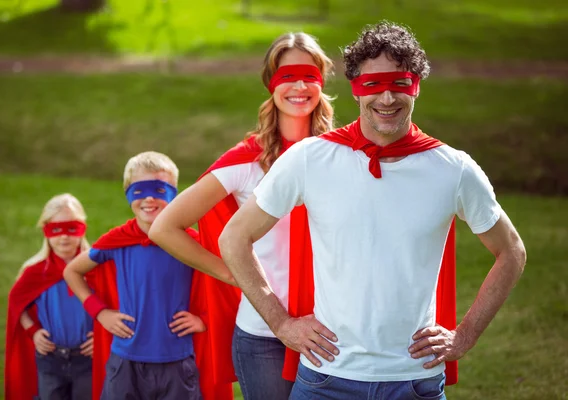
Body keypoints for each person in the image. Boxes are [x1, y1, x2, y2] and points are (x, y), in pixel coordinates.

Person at [218, 21, 527, 400]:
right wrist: (281, 323)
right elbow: (234, 237)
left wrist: (464, 336)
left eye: (399, 84)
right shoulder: (311, 158)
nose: (386, 98)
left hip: (415, 381)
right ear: (354, 90)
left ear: (415, 87)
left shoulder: (453, 169)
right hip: (324, 380)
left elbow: (511, 251)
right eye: (372, 85)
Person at [148, 32, 334, 400]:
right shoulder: (248, 161)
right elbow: (165, 227)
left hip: (331, 329)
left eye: (309, 75)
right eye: (287, 76)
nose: (299, 86)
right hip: (264, 335)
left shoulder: (340, 154)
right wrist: (231, 273)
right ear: (271, 85)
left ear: (322, 82)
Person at [63, 151, 206, 400]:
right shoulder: (117, 241)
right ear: (128, 194)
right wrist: (100, 311)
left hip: (177, 361)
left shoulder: (190, 242)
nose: (149, 198)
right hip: (125, 360)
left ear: (173, 193)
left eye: (158, 190)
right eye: (139, 191)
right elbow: (72, 271)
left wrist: (204, 320)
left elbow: (222, 284)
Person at [5, 193, 94, 400]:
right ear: (46, 232)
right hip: (50, 358)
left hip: (88, 358)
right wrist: (33, 331)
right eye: (56, 229)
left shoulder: (94, 268)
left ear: (82, 229)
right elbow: (16, 302)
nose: (64, 237)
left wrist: (101, 335)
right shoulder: (36, 271)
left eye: (71, 228)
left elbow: (113, 303)